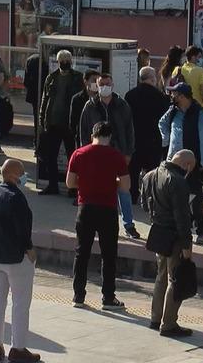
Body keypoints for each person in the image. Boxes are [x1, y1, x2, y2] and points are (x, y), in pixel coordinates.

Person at [0, 159, 41, 363]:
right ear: (13, 175)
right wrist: (29, 249)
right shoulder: (16, 197)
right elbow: (23, 228)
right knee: (20, 302)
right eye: (21, 174)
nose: (24, 177)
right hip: (16, 258)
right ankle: (18, 348)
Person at [66, 122, 129, 311]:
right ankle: (108, 298)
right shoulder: (116, 156)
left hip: (85, 208)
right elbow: (126, 187)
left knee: (81, 252)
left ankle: (78, 296)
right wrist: (112, 182)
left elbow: (70, 183)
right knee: (108, 255)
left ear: (92, 134)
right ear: (109, 137)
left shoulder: (79, 153)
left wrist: (86, 183)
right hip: (107, 209)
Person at [141, 149, 196, 338]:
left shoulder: (151, 175)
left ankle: (155, 318)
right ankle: (169, 323)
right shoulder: (178, 181)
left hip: (157, 231)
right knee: (176, 279)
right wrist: (187, 245)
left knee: (161, 275)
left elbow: (143, 204)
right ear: (187, 164)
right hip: (174, 237)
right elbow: (182, 218)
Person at [79, 73, 139, 239]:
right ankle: (97, 225)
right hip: (95, 155)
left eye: (107, 83)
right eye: (101, 84)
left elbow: (129, 130)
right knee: (98, 190)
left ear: (112, 85)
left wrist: (128, 152)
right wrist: (84, 153)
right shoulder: (90, 106)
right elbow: (84, 132)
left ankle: (128, 224)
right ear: (96, 86)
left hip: (118, 153)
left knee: (124, 190)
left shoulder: (122, 105)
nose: (104, 86)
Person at [159, 82, 203, 244]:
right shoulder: (173, 111)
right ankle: (179, 227)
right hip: (173, 162)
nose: (172, 96)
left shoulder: (199, 113)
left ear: (182, 96)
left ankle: (201, 230)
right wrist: (166, 141)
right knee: (174, 196)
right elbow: (162, 124)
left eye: (174, 94)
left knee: (195, 196)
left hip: (191, 162)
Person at [38, 50, 83, 195]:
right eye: (62, 60)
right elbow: (45, 98)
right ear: (57, 62)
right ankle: (52, 185)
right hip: (53, 122)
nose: (64, 62)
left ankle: (72, 187)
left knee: (72, 157)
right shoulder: (51, 78)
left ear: (71, 61)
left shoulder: (77, 78)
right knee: (51, 156)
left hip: (69, 123)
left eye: (67, 59)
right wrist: (42, 117)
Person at [126, 66, 170, 207]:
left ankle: (133, 195)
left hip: (135, 138)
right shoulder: (160, 97)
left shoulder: (130, 95)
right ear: (152, 79)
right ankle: (150, 198)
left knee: (133, 170)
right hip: (153, 138)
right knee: (151, 172)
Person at [70, 69, 99, 151]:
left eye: (98, 80)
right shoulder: (77, 99)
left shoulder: (102, 98)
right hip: (82, 138)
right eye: (94, 80)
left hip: (98, 138)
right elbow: (73, 121)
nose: (96, 83)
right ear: (85, 81)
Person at [24, 51, 48, 141]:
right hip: (47, 93)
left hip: (34, 94)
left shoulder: (31, 59)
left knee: (37, 118)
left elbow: (26, 81)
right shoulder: (47, 60)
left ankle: (37, 141)